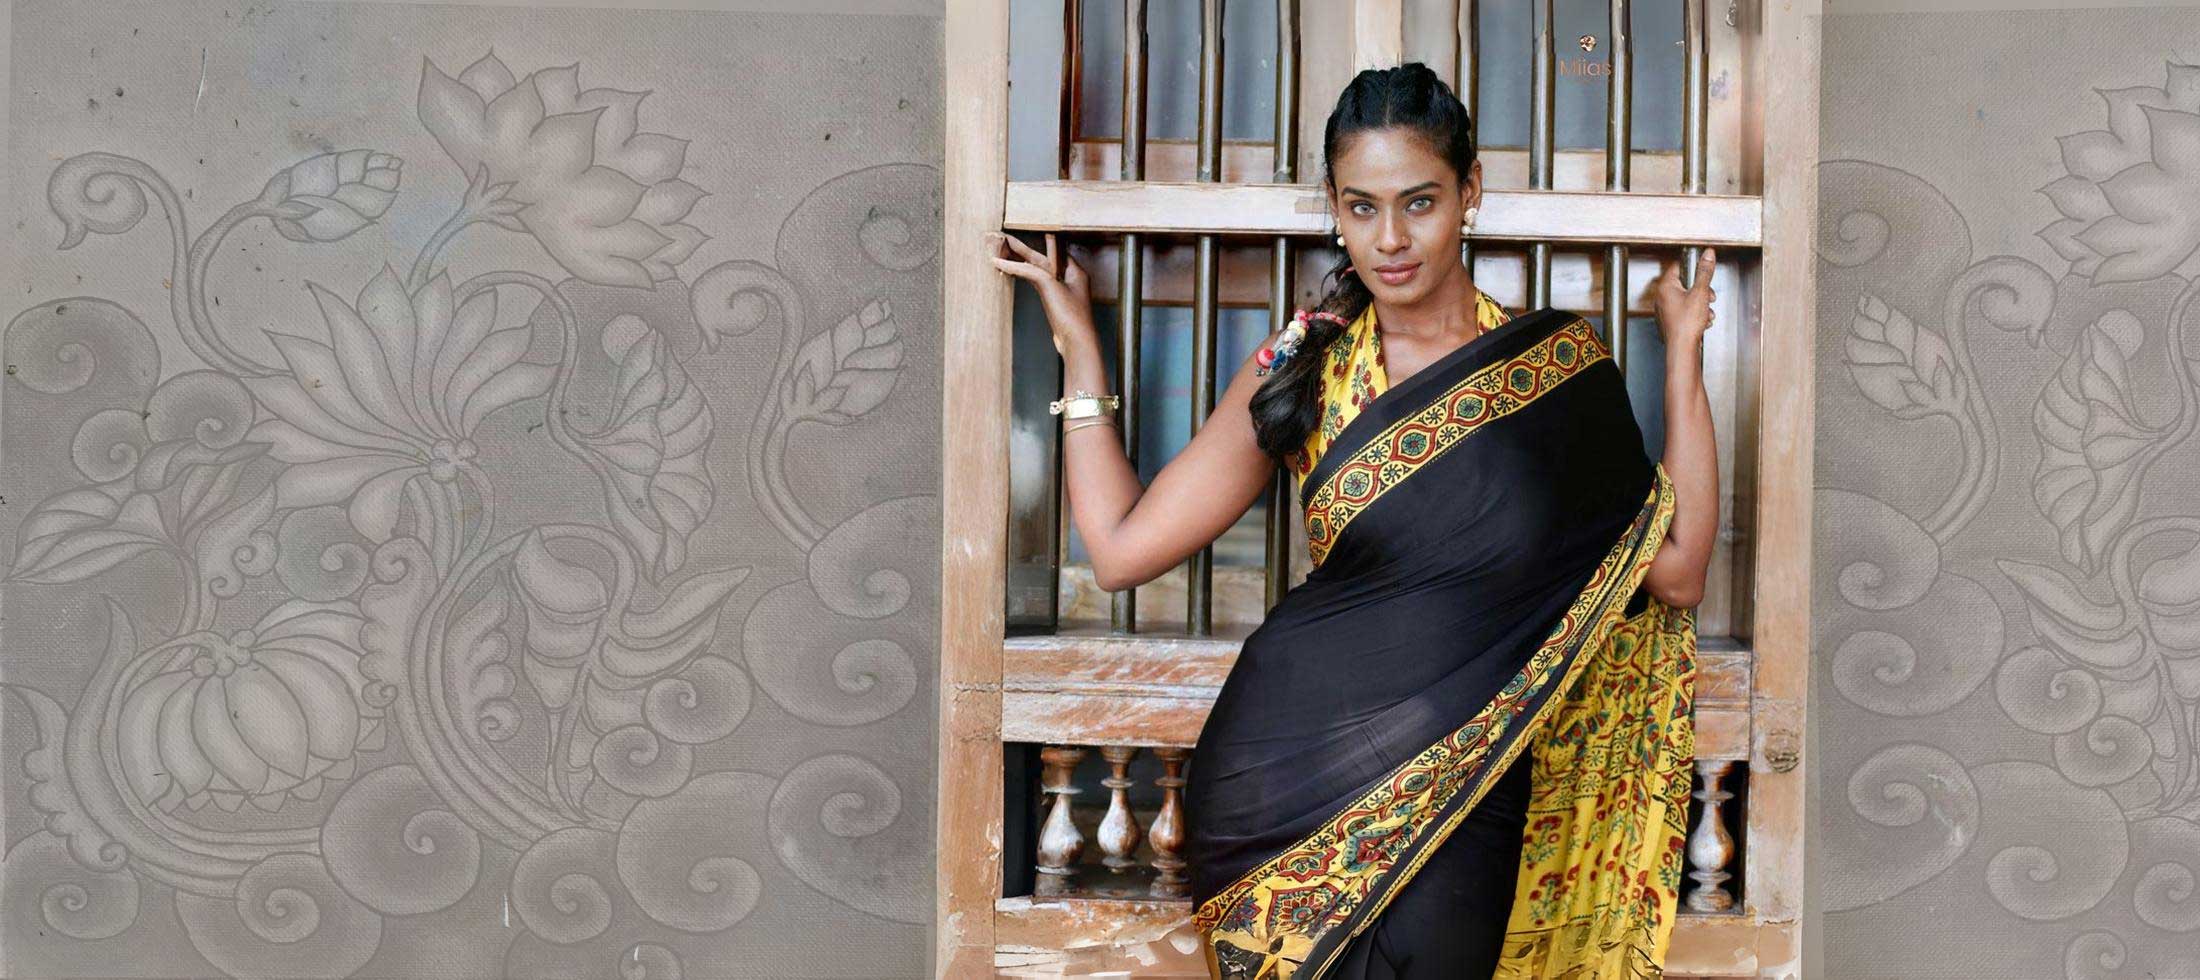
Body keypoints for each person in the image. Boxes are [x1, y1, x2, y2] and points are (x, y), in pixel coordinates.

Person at [985, 61, 1717, 980]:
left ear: (1470, 193)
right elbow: (1125, 550)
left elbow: (1680, 570)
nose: (1392, 239)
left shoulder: (1555, 376)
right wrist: (1080, 346)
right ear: (1333, 206)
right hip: (1278, 785)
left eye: (1419, 202)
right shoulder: (1307, 365)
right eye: (1361, 207)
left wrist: (1684, 355)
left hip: (1469, 786)